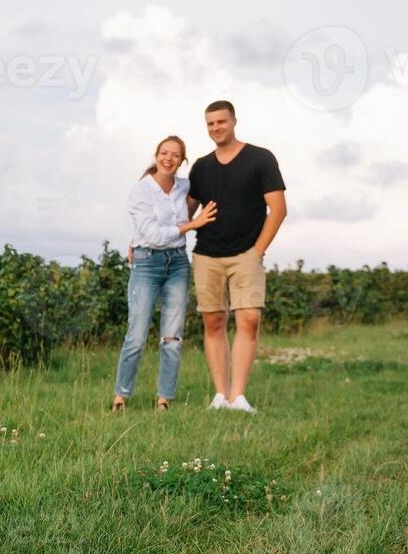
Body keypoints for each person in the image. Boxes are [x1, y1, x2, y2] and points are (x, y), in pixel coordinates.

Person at [186, 100, 288, 414]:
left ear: (233, 121)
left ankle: (238, 397)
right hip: (207, 255)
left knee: (250, 320)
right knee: (213, 322)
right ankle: (220, 395)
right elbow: (182, 214)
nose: (216, 128)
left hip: (247, 253)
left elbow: (279, 209)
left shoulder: (260, 158)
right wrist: (144, 235)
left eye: (221, 122)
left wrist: (257, 251)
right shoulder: (201, 167)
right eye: (210, 124)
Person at [113, 136, 217, 412]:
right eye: (164, 153)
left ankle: (164, 400)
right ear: (156, 155)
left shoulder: (185, 187)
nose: (168, 159)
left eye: (175, 155)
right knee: (136, 334)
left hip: (178, 264)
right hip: (147, 262)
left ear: (182, 161)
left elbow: (199, 200)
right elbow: (154, 235)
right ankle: (121, 396)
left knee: (172, 336)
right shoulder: (141, 190)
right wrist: (192, 225)